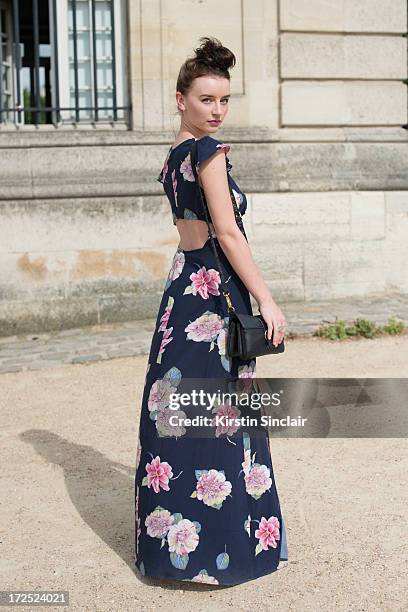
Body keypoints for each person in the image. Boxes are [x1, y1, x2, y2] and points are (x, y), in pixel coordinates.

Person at [134, 36, 288, 586]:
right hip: (216, 296)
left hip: (181, 294)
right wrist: (266, 298)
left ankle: (174, 552)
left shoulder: (172, 158)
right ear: (181, 99)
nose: (217, 111)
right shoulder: (207, 153)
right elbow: (227, 231)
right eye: (206, 99)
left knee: (178, 415)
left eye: (224, 100)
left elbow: (190, 233)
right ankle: (222, 552)